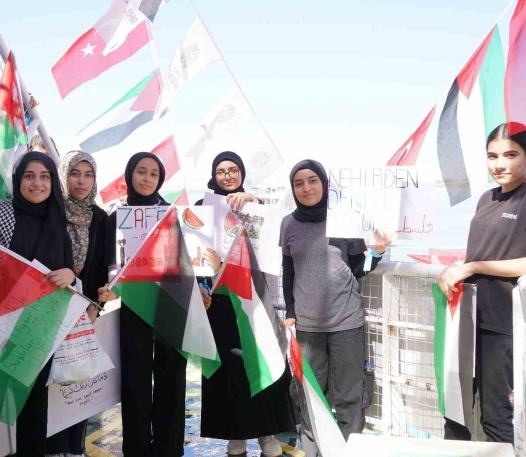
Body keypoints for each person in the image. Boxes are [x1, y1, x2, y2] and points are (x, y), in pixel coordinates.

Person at [0, 152, 76, 457]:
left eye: (44, 176)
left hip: (37, 332)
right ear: (18, 180)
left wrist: (70, 275)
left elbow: (67, 269)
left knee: (33, 409)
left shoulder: (58, 224)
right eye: (29, 176)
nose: (37, 183)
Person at [280, 159, 391, 457]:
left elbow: (358, 267)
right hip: (307, 328)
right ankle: (314, 452)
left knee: (349, 399)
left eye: (313, 180)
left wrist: (378, 252)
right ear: (293, 188)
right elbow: (288, 272)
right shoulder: (288, 224)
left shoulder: (344, 218)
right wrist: (290, 312)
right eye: (299, 183)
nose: (306, 188)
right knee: (310, 399)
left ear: (324, 183)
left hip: (347, 324)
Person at [196, 151, 296, 457]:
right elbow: (192, 253)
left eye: (233, 170)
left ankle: (266, 432)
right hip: (218, 301)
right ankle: (235, 435)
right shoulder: (203, 208)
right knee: (227, 370)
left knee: (260, 362)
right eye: (221, 171)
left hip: (253, 297)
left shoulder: (254, 206)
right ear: (214, 176)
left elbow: (275, 232)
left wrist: (256, 201)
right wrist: (201, 286)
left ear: (241, 173)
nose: (227, 176)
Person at [437, 122, 526, 444]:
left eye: (510, 154)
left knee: (497, 418)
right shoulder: (487, 198)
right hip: (469, 317)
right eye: (492, 156)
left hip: (504, 324)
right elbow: (485, 248)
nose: (500, 164)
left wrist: (472, 266)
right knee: (455, 412)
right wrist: (458, 267)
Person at [97, 153, 186, 457]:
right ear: (130, 175)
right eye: (141, 172)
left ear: (160, 179)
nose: (147, 179)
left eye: (153, 174)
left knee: (171, 375)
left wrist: (199, 286)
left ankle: (169, 447)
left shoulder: (173, 214)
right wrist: (111, 287)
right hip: (134, 304)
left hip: (171, 303)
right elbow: (111, 262)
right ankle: (136, 448)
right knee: (135, 376)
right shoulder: (116, 216)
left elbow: (190, 259)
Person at [46, 151, 109, 457]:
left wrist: (96, 305)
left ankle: (75, 448)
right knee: (52, 381)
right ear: (64, 176)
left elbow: (103, 265)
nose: (82, 181)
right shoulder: (51, 211)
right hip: (51, 307)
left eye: (88, 175)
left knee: (80, 377)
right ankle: (54, 448)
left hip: (85, 310)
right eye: (75, 173)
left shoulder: (100, 218)